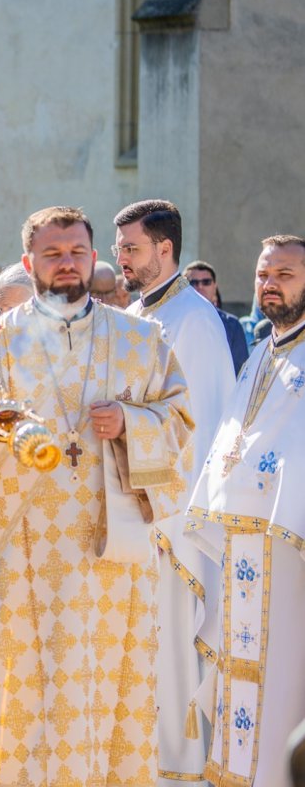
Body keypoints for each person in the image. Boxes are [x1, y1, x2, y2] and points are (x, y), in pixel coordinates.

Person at [0, 206, 191, 785]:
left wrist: (133, 423)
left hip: (112, 550)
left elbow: (183, 422)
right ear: (28, 262)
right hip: (27, 550)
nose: (67, 264)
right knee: (27, 681)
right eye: (53, 254)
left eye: (77, 253)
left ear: (95, 257)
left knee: (114, 680)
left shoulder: (142, 339)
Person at [112, 199, 235, 784]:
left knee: (171, 646)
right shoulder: (138, 312)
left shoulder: (196, 321)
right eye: (119, 250)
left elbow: (201, 430)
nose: (122, 260)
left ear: (166, 249)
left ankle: (179, 767)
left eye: (131, 248)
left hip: (170, 516)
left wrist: (164, 511)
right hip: (134, 504)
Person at [186, 234, 305, 787]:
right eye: (263, 274)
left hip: (290, 546)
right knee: (242, 666)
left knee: (285, 671)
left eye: (284, 273)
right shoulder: (261, 352)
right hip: (244, 544)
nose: (269, 284)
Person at [184, 259, 250, 373]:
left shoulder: (232, 325)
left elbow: (240, 372)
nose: (200, 286)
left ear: (215, 286)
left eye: (206, 282)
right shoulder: (172, 321)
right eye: (193, 282)